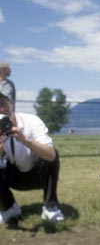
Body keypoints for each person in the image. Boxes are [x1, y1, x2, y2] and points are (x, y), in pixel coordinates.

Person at [0, 92, 64, 224]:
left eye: (2, 104)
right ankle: (9, 207)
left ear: (10, 104)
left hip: (38, 175)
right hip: (14, 177)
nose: (1, 110)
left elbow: (51, 155)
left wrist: (25, 139)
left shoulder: (32, 121)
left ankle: (50, 206)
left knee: (50, 153)